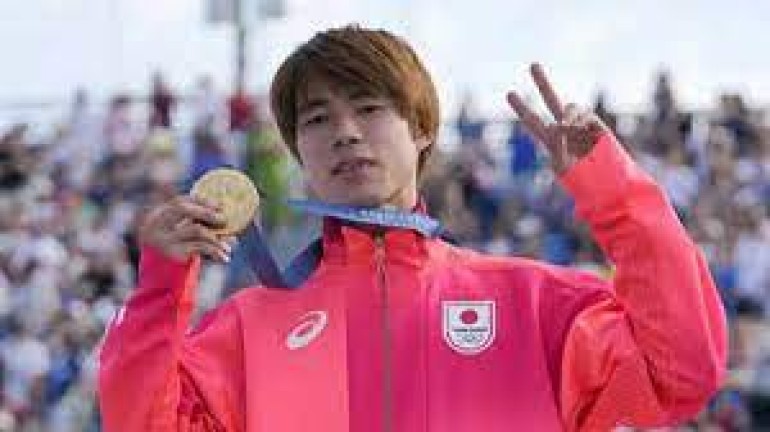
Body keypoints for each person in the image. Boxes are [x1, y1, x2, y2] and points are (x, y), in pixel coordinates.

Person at [97, 25, 727, 431]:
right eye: (317, 119)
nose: (345, 132)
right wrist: (160, 289)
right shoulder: (245, 329)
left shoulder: (538, 306)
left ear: (422, 129)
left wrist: (613, 192)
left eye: (369, 108)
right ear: (299, 152)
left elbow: (682, 371)